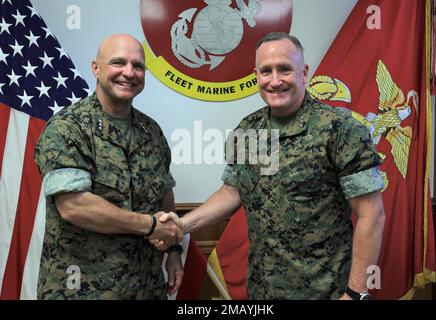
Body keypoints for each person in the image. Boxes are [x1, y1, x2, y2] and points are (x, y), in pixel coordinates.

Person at [154, 32, 385, 300]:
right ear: (257, 76)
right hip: (263, 291)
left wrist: (356, 293)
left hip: (327, 291)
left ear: (304, 72)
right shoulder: (250, 130)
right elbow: (232, 192)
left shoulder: (341, 129)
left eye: (284, 69)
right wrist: (182, 225)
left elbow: (371, 214)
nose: (275, 81)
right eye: (266, 71)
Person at [34, 34, 184, 299]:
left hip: (145, 287)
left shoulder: (151, 131)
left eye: (138, 66)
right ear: (96, 68)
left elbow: (164, 194)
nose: (129, 72)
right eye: (118, 63)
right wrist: (149, 226)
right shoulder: (68, 128)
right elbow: (74, 206)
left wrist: (173, 252)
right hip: (82, 289)